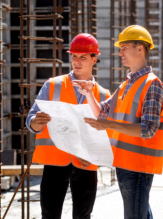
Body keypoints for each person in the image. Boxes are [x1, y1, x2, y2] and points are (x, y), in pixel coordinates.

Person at [74, 25, 163, 219]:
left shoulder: (153, 85)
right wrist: (89, 94)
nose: (120, 53)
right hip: (125, 164)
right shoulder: (127, 84)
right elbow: (103, 113)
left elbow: (149, 129)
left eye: (124, 47)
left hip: (138, 166)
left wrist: (110, 125)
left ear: (140, 48)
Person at [26, 33, 110, 219]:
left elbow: (106, 134)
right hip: (55, 160)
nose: (77, 61)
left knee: (83, 216)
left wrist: (94, 154)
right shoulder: (53, 85)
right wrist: (36, 123)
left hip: (86, 163)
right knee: (50, 215)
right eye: (74, 56)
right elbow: (31, 119)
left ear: (94, 59)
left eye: (83, 57)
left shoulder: (102, 95)